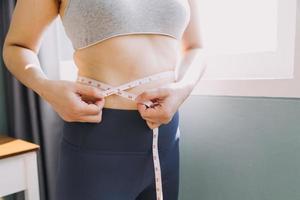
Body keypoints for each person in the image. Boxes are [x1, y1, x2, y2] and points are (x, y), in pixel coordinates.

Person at [2, 0, 206, 199]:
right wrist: (46, 87)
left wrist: (182, 89)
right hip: (97, 137)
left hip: (165, 137)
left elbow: (196, 47)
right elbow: (17, 46)